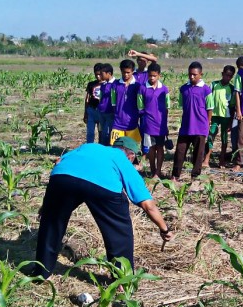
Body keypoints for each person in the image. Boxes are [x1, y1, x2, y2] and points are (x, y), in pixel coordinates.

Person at [33, 137, 173, 280]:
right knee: (118, 231)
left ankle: (41, 273)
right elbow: (147, 205)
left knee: (51, 224)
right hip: (103, 186)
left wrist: (48, 206)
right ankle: (121, 281)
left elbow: (58, 161)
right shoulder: (122, 159)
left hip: (62, 177)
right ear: (131, 156)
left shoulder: (89, 147)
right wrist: (164, 229)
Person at [172, 62, 213, 180]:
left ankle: (195, 176)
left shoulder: (206, 90)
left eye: (194, 75)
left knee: (198, 153)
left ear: (201, 74)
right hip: (186, 126)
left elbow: (209, 108)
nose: (192, 77)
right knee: (180, 151)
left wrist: (208, 123)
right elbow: (182, 105)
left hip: (200, 126)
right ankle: (175, 175)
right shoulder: (184, 89)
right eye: (190, 74)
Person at [137, 63, 171, 178]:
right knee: (151, 148)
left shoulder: (164, 89)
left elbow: (167, 107)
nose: (152, 78)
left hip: (161, 124)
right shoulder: (142, 88)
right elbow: (140, 107)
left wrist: (165, 123)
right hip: (148, 124)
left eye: (154, 76)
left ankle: (158, 172)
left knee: (160, 148)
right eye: (150, 76)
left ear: (159, 76)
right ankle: (153, 170)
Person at [203, 65, 236, 168]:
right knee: (211, 137)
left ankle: (222, 160)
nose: (228, 78)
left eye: (230, 76)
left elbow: (232, 105)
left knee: (224, 138)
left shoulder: (231, 88)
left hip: (226, 117)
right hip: (214, 116)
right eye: (226, 75)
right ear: (222, 74)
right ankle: (206, 159)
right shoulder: (214, 85)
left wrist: (231, 120)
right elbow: (207, 101)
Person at [108, 59, 141, 145]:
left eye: (128, 72)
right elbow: (113, 103)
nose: (126, 75)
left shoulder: (138, 85)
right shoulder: (115, 85)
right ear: (120, 70)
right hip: (118, 123)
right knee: (116, 146)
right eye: (124, 72)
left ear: (133, 71)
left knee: (132, 147)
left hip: (132, 122)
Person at [230, 55, 243, 161]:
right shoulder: (239, 76)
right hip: (237, 110)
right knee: (234, 132)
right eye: (240, 68)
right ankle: (235, 152)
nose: (242, 69)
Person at [96, 63, 115, 145]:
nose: (100, 76)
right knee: (102, 132)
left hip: (110, 112)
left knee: (107, 133)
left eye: (102, 74)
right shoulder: (103, 84)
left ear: (109, 73)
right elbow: (101, 97)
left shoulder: (115, 84)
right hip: (101, 112)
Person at [84, 63, 102, 144]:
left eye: (99, 74)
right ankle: (89, 148)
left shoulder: (107, 84)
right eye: (96, 74)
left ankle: (100, 150)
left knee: (101, 133)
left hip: (102, 112)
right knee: (90, 132)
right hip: (92, 110)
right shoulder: (91, 84)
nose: (98, 76)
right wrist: (86, 112)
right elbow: (87, 98)